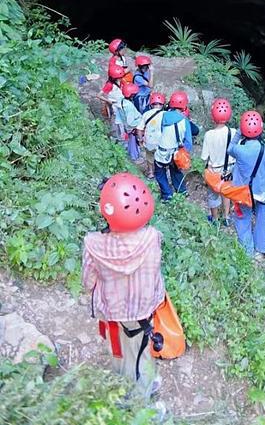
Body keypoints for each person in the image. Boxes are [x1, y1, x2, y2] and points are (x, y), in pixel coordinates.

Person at [82, 172, 165, 399]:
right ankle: (141, 393)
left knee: (120, 353)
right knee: (142, 351)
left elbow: (88, 281)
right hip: (144, 309)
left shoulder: (93, 244)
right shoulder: (152, 237)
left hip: (113, 312)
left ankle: (129, 396)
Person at [227, 110, 265, 258]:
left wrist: (238, 132)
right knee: (263, 217)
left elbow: (229, 148)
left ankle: (248, 252)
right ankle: (261, 249)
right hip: (264, 192)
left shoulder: (239, 150)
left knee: (243, 218)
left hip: (244, 193)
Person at [201, 98, 237, 225]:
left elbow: (204, 157)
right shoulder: (233, 132)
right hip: (229, 169)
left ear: (213, 116)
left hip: (214, 170)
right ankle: (226, 217)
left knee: (213, 195)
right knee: (226, 192)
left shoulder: (209, 135)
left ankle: (215, 219)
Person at [153, 91, 193, 202]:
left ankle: (167, 194)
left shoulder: (163, 115)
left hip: (162, 150)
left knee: (159, 172)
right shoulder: (185, 121)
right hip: (175, 152)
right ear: (184, 105)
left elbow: (160, 132)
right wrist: (185, 152)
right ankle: (181, 190)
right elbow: (188, 142)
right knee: (175, 171)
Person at [138, 91, 166, 180]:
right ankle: (161, 173)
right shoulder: (165, 115)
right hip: (161, 141)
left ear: (151, 104)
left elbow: (139, 129)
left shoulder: (146, 114)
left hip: (149, 141)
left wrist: (140, 140)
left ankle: (151, 173)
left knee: (149, 157)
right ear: (162, 104)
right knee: (161, 158)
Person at [99, 62, 127, 140]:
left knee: (122, 122)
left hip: (121, 104)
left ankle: (122, 136)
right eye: (120, 77)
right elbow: (99, 95)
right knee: (116, 122)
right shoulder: (109, 85)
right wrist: (108, 101)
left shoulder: (121, 82)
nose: (121, 78)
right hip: (114, 106)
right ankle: (116, 137)